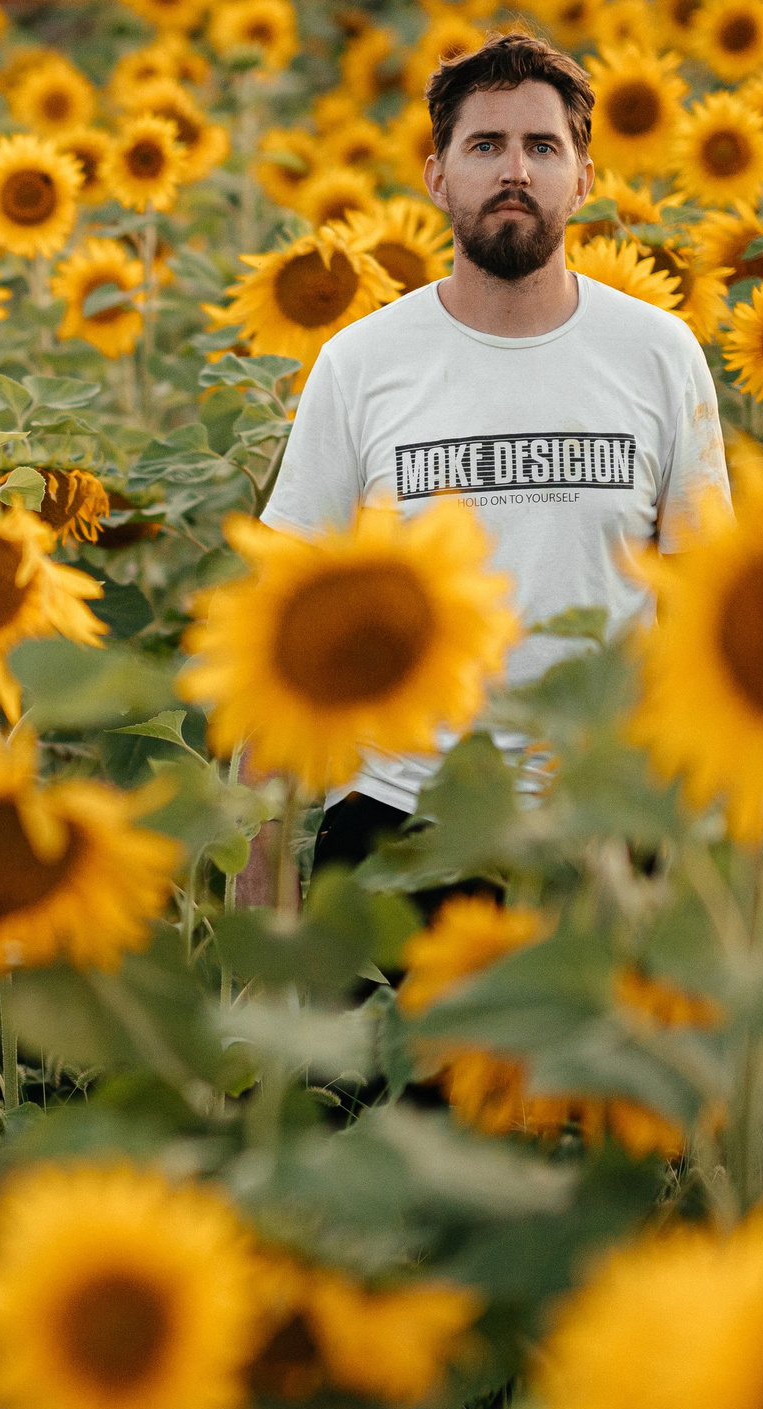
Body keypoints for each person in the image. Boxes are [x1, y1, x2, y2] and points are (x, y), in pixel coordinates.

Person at [234, 30, 731, 912]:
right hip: (400, 817)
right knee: (385, 1057)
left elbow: (701, 597)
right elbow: (290, 605)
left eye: (543, 146)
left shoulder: (658, 354)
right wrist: (261, 846)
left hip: (607, 821)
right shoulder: (361, 364)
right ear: (437, 176)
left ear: (582, 177)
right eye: (485, 145)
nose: (516, 170)